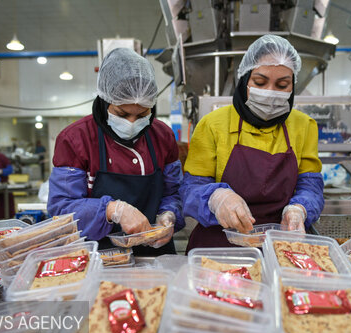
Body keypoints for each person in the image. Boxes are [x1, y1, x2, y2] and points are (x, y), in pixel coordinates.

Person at [180, 34, 324, 250]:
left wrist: (299, 209)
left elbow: (310, 185)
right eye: (259, 82)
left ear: (292, 86)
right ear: (245, 79)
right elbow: (190, 189)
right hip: (217, 247)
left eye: (282, 84)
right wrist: (216, 198)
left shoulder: (304, 126)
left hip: (280, 245)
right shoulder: (213, 124)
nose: (270, 92)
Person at [48, 48, 184, 255]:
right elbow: (61, 210)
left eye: (142, 114)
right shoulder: (76, 139)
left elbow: (174, 192)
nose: (131, 122)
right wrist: (111, 210)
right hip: (98, 256)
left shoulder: (162, 136)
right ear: (105, 101)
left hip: (157, 256)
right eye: (122, 113)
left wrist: (169, 215)